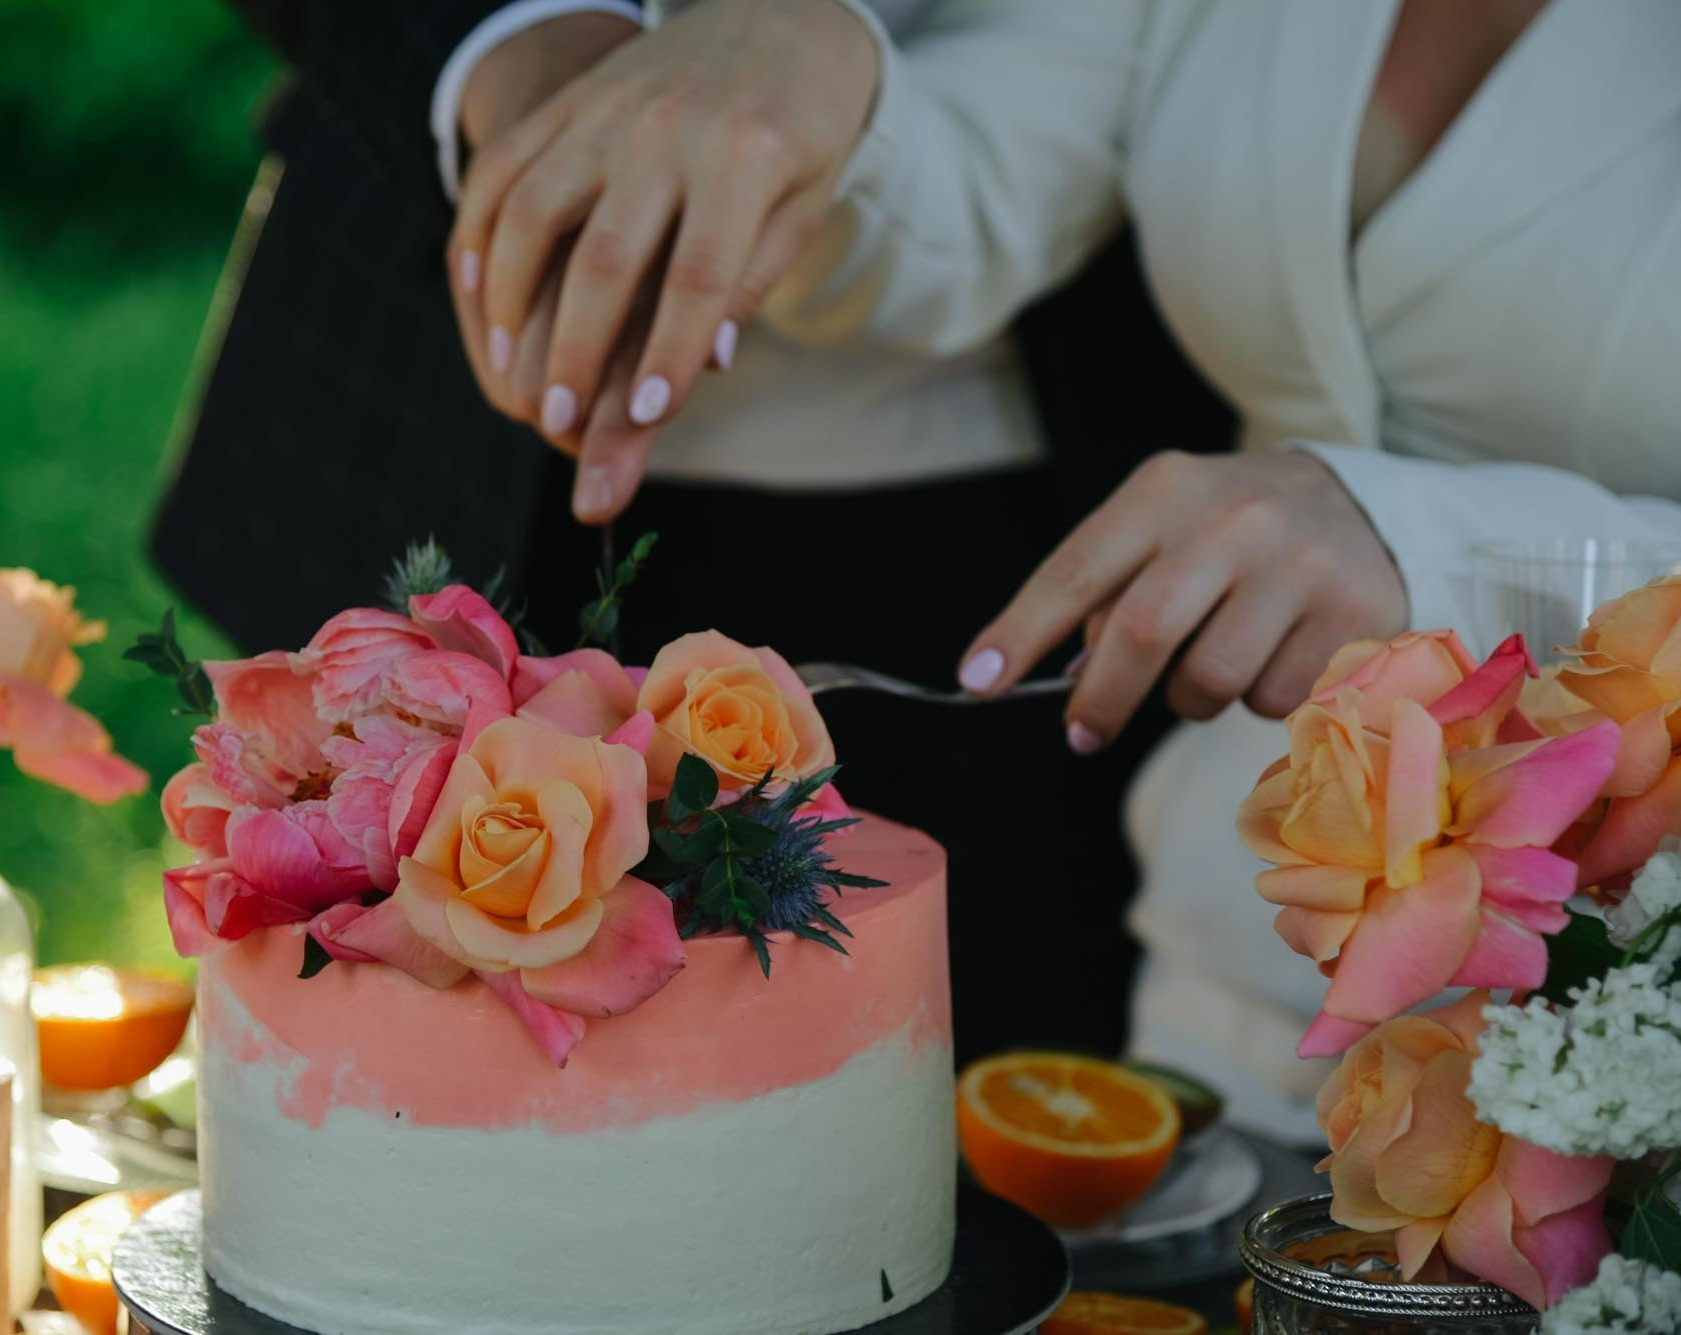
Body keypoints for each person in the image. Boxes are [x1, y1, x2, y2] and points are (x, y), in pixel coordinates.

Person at [457, 0, 1681, 1137]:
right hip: (1241, 948)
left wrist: (1430, 553)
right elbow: (966, 198)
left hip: (1625, 1011)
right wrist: (813, 75)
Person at [151, 0, 1232, 1062]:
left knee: (997, 1084)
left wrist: (826, 55)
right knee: (398, 1103)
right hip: (438, 409)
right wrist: (517, 36)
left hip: (1034, 477)